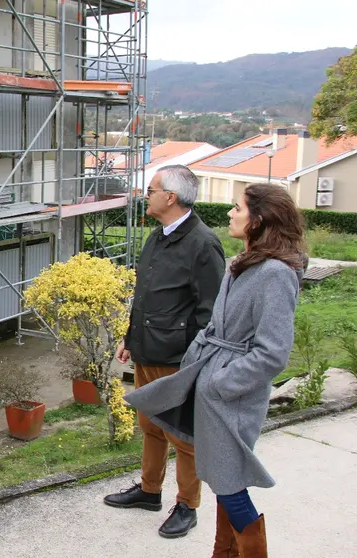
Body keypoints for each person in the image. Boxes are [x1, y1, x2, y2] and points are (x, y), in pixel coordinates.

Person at [125, 183, 308, 558]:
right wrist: (200, 363)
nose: (230, 213)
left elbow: (273, 353)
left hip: (233, 397)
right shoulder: (246, 263)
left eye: (237, 208)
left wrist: (220, 384)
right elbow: (215, 326)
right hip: (213, 382)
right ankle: (224, 553)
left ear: (259, 219)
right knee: (224, 481)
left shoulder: (275, 273)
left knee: (230, 485)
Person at [103, 165, 226, 539]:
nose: (146, 194)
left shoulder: (203, 244)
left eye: (152, 189)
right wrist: (129, 336)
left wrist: (194, 363)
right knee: (150, 426)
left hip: (177, 358)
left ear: (170, 197)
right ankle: (150, 491)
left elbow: (210, 311)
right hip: (146, 349)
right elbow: (145, 295)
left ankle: (187, 505)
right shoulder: (157, 237)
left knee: (182, 436)